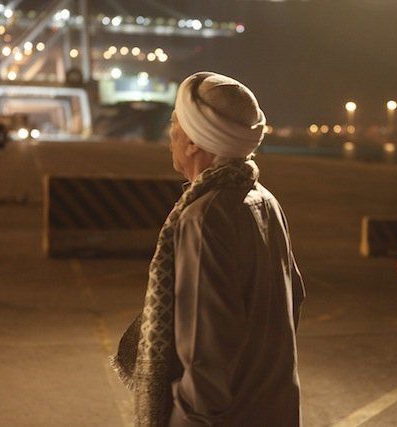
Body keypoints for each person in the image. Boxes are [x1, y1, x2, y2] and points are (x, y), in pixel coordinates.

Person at [111, 72, 305, 426]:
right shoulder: (266, 200)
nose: (169, 135)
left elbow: (206, 353)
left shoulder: (204, 217)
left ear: (193, 143)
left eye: (174, 123)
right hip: (276, 406)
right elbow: (294, 300)